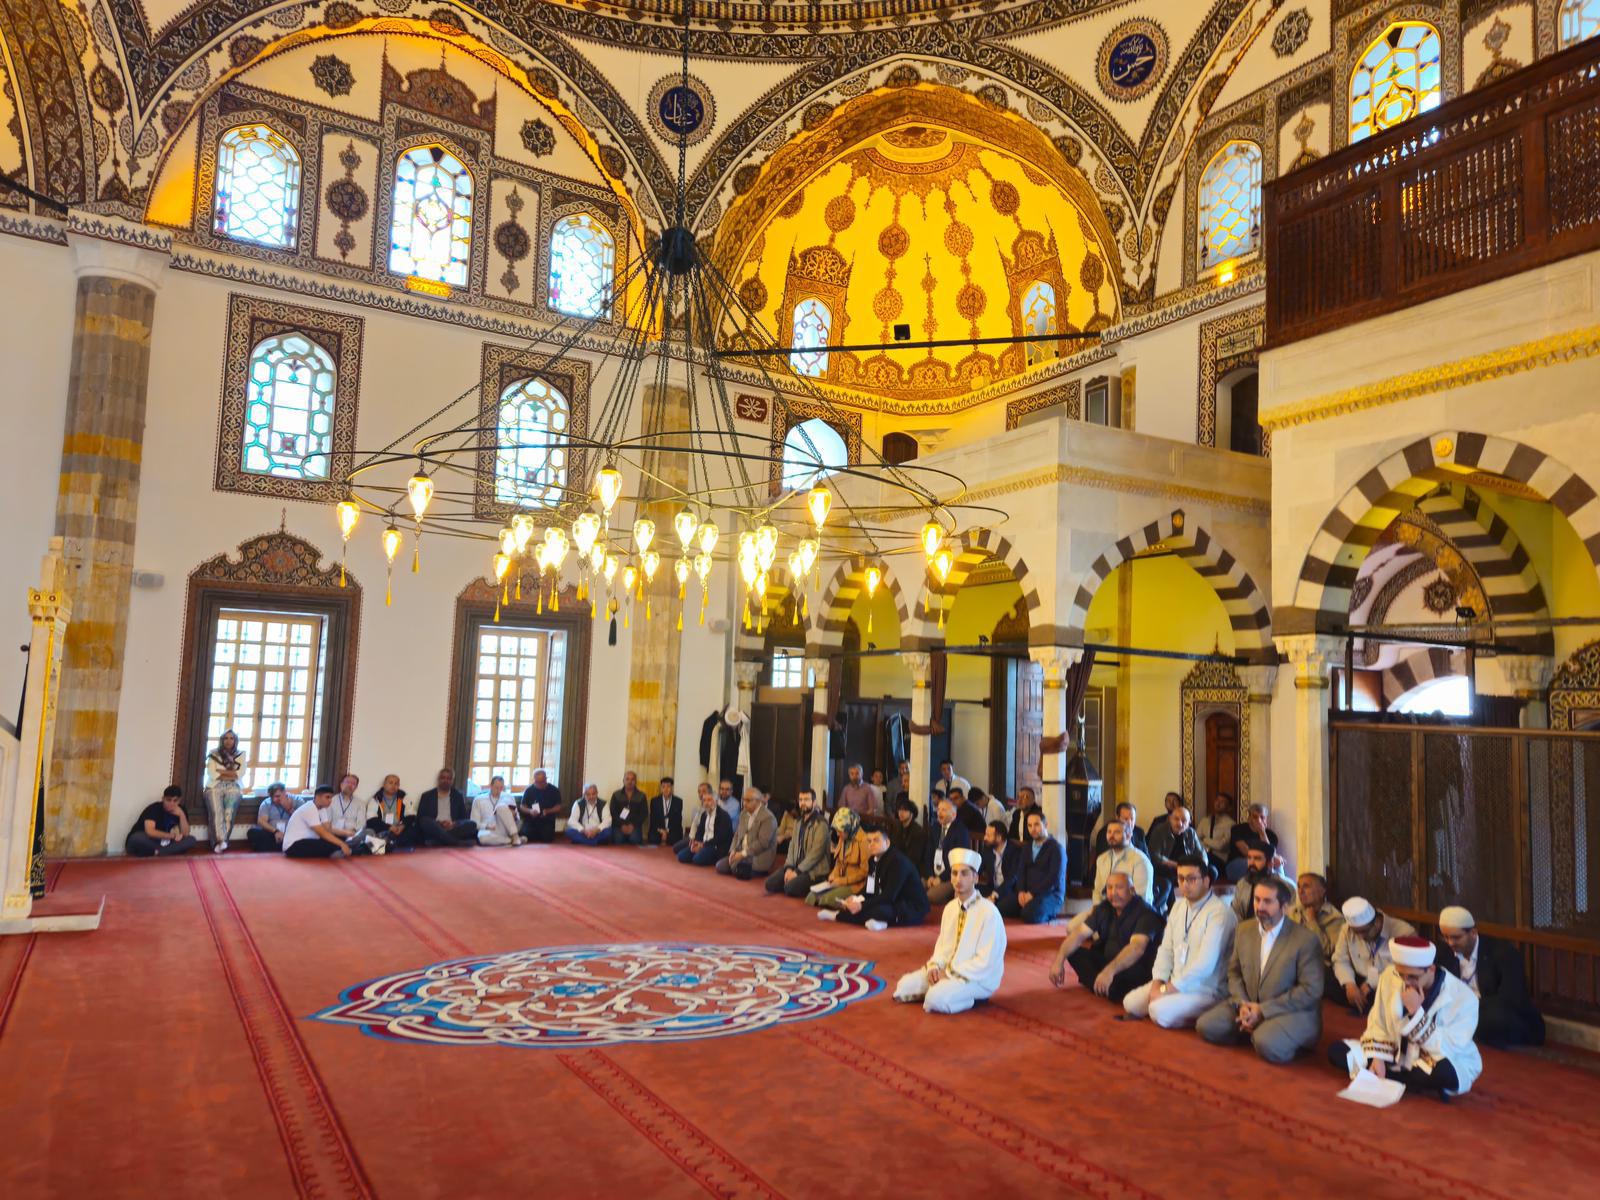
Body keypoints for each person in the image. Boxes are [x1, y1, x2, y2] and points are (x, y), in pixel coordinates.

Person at [1330, 935, 1482, 1099]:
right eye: (1401, 974)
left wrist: (1416, 1013)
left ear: (1431, 969)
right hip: (1395, 1054)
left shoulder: (1464, 997)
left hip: (1435, 1058)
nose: (1406, 982)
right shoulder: (1390, 975)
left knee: (1445, 1073)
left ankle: (1399, 1078)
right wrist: (1377, 1057)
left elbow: (1449, 1047)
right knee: (1337, 1051)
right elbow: (1378, 1023)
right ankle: (1401, 1079)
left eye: (1413, 977)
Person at [1196, 875, 1324, 1063]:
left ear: (1284, 906)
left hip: (1290, 1010)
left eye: (1267, 901)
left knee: (1266, 1043)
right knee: (1206, 1025)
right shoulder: (1244, 930)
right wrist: (1243, 1004)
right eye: (1257, 900)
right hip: (1248, 1004)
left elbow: (1311, 990)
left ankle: (1262, 1031)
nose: (1260, 907)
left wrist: (1263, 1010)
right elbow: (1234, 972)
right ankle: (1252, 1025)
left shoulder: (1305, 939)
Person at [1123, 855, 1238, 1028]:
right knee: (1130, 1003)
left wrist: (1166, 990)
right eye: (1181, 878)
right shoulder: (1178, 906)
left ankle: (1208, 1012)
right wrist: (1157, 983)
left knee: (1157, 1011)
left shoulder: (1219, 913)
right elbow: (1165, 950)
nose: (1184, 884)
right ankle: (1173, 1008)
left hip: (1205, 989)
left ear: (1206, 881)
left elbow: (1205, 965)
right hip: (1174, 983)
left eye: (1191, 879)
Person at [893, 847, 1006, 1014]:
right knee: (904, 986)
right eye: (954, 873)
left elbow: (985, 962)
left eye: (964, 873)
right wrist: (934, 967)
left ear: (975, 878)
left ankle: (972, 998)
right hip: (947, 971)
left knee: (934, 999)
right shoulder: (950, 908)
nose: (958, 879)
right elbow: (943, 948)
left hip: (977, 978)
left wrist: (948, 973)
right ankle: (944, 989)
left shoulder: (989, 912)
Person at [1048, 871, 1164, 1004]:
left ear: (1132, 890)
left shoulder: (1146, 913)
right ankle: (1103, 986)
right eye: (1109, 888)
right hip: (1109, 962)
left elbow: (1136, 948)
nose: (1113, 893)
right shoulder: (1104, 908)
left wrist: (1109, 971)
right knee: (1074, 952)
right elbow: (1079, 933)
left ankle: (1103, 985)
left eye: (1119, 887)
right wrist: (1059, 960)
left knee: (1121, 982)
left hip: (1135, 967)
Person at [1437, 905, 1544, 1047]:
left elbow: (1510, 998)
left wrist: (1468, 1006)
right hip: (1464, 1009)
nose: (1451, 943)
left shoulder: (1504, 953)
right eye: (1446, 937)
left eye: (1456, 938)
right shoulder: (1444, 952)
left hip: (1496, 1011)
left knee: (1492, 1018)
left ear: (1473, 933)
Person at [837, 820, 928, 930]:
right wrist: (855, 898)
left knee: (877, 910)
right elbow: (869, 889)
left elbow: (889, 896)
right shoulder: (872, 860)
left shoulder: (898, 862)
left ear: (887, 842)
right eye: (869, 841)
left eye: (876, 840)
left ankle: (880, 922)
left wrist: (862, 905)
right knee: (855, 906)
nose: (871, 844)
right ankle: (877, 921)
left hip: (909, 906)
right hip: (891, 902)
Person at [1333, 897, 1415, 1014]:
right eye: (1356, 932)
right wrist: (1349, 985)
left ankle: (1365, 1005)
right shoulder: (1347, 930)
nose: (1361, 937)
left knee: (1395, 993)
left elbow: (1405, 969)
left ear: (1377, 922)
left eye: (1364, 931)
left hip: (1387, 982)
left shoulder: (1403, 932)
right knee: (1328, 978)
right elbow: (1340, 960)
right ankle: (1363, 1003)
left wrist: (1371, 984)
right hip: (1359, 979)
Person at [1287, 872, 1346, 1001]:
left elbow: (1329, 951)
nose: (1301, 891)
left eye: (1306, 886)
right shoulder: (1292, 912)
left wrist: (1312, 922)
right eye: (1299, 887)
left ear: (1322, 891)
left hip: (1318, 967)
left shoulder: (1335, 918)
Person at [999, 809, 1066, 923]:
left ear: (1045, 825)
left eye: (1036, 825)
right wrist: (1021, 891)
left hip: (1050, 895)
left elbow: (1054, 878)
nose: (1032, 829)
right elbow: (1021, 872)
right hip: (1027, 894)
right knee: (1001, 907)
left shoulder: (1056, 849)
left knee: (1030, 915)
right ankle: (1028, 908)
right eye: (1029, 825)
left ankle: (1044, 912)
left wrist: (1032, 894)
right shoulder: (1027, 847)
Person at [766, 787, 830, 897]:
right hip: (796, 866)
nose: (803, 803)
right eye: (801, 800)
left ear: (814, 802)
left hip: (814, 870)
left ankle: (813, 885)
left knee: (790, 888)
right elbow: (792, 846)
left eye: (806, 799)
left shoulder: (821, 824)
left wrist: (797, 872)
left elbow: (816, 854)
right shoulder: (798, 822)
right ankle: (793, 881)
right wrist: (789, 868)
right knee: (770, 884)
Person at [807, 808, 871, 911]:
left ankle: (851, 906)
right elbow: (839, 862)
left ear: (849, 828)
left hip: (855, 885)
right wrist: (833, 875)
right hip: (840, 880)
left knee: (827, 899)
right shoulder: (843, 837)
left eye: (839, 831)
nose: (837, 834)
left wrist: (842, 881)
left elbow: (864, 872)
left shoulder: (864, 841)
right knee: (812, 896)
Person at [1147, 803, 1204, 912]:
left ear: (1189, 822)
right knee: (1167, 880)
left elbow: (1201, 853)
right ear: (1170, 819)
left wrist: (1200, 866)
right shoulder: (1160, 831)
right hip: (1166, 867)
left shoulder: (1191, 832)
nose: (1180, 823)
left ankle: (1200, 904)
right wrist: (1176, 865)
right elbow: (1153, 855)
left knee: (1212, 871)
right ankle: (1172, 910)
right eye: (1176, 819)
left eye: (1184, 820)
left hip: (1186, 867)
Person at [1090, 817, 1153, 907]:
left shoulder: (1140, 860)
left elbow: (1142, 898)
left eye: (1117, 832)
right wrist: (1097, 910)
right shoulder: (1102, 859)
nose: (1111, 836)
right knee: (1080, 917)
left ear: (1128, 835)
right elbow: (1098, 891)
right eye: (1109, 832)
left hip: (1131, 911)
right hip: (1105, 910)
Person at [717, 788, 777, 879]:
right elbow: (737, 834)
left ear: (758, 801)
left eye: (748, 800)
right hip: (741, 852)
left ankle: (750, 869)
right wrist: (733, 850)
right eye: (743, 800)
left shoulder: (768, 818)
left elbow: (762, 843)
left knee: (738, 870)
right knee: (720, 866)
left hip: (758, 855)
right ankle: (740, 867)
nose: (744, 803)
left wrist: (743, 854)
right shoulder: (743, 814)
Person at [203, 729, 247, 853]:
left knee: (229, 813)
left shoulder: (241, 754)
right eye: (226, 738)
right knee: (216, 813)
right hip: (214, 785)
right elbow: (212, 773)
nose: (228, 741)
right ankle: (219, 842)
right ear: (222, 740)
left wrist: (222, 772)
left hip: (234, 786)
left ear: (235, 740)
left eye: (231, 738)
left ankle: (221, 842)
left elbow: (240, 773)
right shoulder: (213, 753)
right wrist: (230, 773)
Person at [125, 786, 198, 857]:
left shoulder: (181, 810)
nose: (172, 803)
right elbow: (150, 831)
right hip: (149, 840)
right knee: (136, 837)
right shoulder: (154, 808)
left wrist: (182, 815)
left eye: (175, 801)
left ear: (179, 800)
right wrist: (173, 836)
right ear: (163, 799)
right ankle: (168, 851)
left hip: (164, 843)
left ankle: (157, 852)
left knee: (191, 840)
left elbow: (185, 833)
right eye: (168, 800)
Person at [923, 797, 970, 906]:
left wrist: (940, 878)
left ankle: (948, 898)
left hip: (950, 876)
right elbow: (928, 855)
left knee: (930, 896)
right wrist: (930, 875)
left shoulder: (960, 831)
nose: (939, 813)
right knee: (913, 887)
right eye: (938, 809)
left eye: (943, 810)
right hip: (933, 873)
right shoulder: (935, 827)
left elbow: (958, 862)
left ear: (953, 814)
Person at [283, 784, 351, 859]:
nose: (330, 800)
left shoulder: (322, 809)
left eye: (331, 798)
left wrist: (347, 834)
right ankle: (345, 849)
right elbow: (322, 833)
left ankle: (342, 849)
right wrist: (342, 844)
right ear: (318, 797)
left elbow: (328, 829)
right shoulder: (309, 808)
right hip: (293, 846)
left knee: (340, 838)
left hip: (310, 840)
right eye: (327, 797)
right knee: (331, 844)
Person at [415, 768, 478, 847]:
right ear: (438, 779)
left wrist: (453, 824)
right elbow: (420, 818)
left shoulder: (458, 796)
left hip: (452, 827)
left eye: (449, 778)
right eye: (443, 778)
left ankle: (438, 841)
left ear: (452, 781)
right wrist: (439, 823)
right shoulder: (427, 796)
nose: (445, 780)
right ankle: (456, 842)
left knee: (472, 824)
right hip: (435, 826)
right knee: (424, 821)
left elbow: (464, 817)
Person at [1229, 840, 1289, 920]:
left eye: (1257, 859)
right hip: (1244, 926)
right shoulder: (1242, 883)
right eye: (1249, 858)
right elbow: (1235, 912)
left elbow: (1290, 916)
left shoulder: (1285, 885)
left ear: (1270, 863)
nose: (1251, 863)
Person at [1225, 803, 1283, 882]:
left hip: (1262, 863)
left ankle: (1281, 884)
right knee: (1259, 861)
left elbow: (1271, 854)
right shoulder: (1237, 829)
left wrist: (1262, 832)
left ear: (1266, 819)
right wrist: (1269, 858)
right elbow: (1247, 852)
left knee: (1277, 862)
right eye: (1255, 817)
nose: (1259, 820)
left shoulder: (1272, 835)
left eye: (1262, 817)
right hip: (1236, 864)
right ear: (1249, 818)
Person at [676, 784, 731, 866]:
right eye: (704, 800)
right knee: (681, 856)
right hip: (703, 843)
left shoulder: (723, 815)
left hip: (715, 846)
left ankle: (713, 858)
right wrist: (696, 843)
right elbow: (699, 831)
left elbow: (720, 837)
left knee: (697, 859)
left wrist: (703, 845)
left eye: (709, 800)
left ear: (716, 801)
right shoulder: (704, 815)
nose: (706, 803)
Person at [978, 820, 1022, 907]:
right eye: (985, 834)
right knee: (968, 892)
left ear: (999, 837)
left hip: (1009, 891)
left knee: (999, 906)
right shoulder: (988, 849)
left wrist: (994, 895)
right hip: (992, 888)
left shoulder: (1015, 851)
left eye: (988, 835)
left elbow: (1011, 879)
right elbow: (977, 869)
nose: (985, 838)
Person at [247, 783, 299, 853]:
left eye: (277, 796)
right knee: (252, 832)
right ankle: (285, 847)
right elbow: (261, 822)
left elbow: (302, 820)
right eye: (272, 797)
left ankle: (275, 847)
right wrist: (276, 831)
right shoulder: (266, 803)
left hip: (291, 833)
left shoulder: (297, 800)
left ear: (284, 792)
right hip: (273, 834)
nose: (274, 800)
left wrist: (289, 809)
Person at [472, 776, 524, 846]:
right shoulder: (478, 800)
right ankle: (511, 840)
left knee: (500, 807)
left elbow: (518, 818)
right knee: (482, 838)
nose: (499, 790)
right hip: (488, 829)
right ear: (491, 786)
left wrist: (514, 815)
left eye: (501, 788)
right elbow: (474, 823)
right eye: (496, 788)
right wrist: (486, 826)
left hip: (506, 828)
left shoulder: (509, 797)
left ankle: (515, 836)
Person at [365, 775, 413, 849]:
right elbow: (371, 819)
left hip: (399, 828)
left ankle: (389, 843)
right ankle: (390, 842)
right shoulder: (376, 798)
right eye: (390, 783)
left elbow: (411, 814)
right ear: (384, 784)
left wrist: (402, 826)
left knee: (413, 829)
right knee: (370, 830)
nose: (393, 786)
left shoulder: (403, 797)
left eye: (396, 784)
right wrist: (389, 827)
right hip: (383, 828)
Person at [519, 770, 563, 843]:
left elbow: (558, 807)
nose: (539, 784)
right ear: (534, 780)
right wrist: (530, 811)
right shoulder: (529, 790)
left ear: (546, 779)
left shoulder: (554, 790)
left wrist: (548, 811)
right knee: (524, 834)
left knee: (547, 838)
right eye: (537, 782)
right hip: (531, 820)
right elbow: (522, 806)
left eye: (542, 782)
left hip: (547, 820)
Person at [1198, 792, 1236, 875]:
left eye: (1222, 802)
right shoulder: (1205, 820)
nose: (1218, 803)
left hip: (1219, 859)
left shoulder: (1230, 824)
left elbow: (1221, 846)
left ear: (1228, 807)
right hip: (1203, 854)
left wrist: (1205, 839)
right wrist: (1206, 846)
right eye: (1217, 800)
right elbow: (1196, 840)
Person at [326, 774, 368, 849]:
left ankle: (344, 848)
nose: (350, 785)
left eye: (353, 784)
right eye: (347, 782)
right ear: (341, 785)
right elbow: (326, 823)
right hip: (334, 834)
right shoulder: (331, 801)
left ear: (356, 787)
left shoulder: (360, 803)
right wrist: (341, 832)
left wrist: (353, 831)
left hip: (352, 835)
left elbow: (361, 823)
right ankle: (345, 848)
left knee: (369, 832)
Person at [889, 795, 927, 871]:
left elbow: (915, 857)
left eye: (905, 810)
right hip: (896, 863)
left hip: (911, 867)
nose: (901, 813)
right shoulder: (896, 827)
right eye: (899, 810)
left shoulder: (918, 831)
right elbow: (891, 847)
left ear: (912, 813)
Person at [609, 771, 648, 846]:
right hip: (619, 826)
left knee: (635, 840)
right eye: (627, 779)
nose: (630, 782)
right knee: (618, 840)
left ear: (636, 781)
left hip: (634, 826)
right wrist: (621, 825)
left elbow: (644, 813)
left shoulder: (641, 796)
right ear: (623, 780)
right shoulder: (616, 794)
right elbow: (613, 812)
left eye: (632, 779)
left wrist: (633, 825)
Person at [648, 776, 684, 848]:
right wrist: (661, 831)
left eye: (668, 786)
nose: (666, 789)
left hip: (672, 830)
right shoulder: (654, 801)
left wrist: (667, 831)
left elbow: (678, 819)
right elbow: (653, 818)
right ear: (661, 788)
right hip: (659, 829)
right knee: (653, 838)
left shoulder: (678, 801)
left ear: (672, 788)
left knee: (675, 839)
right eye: (663, 787)